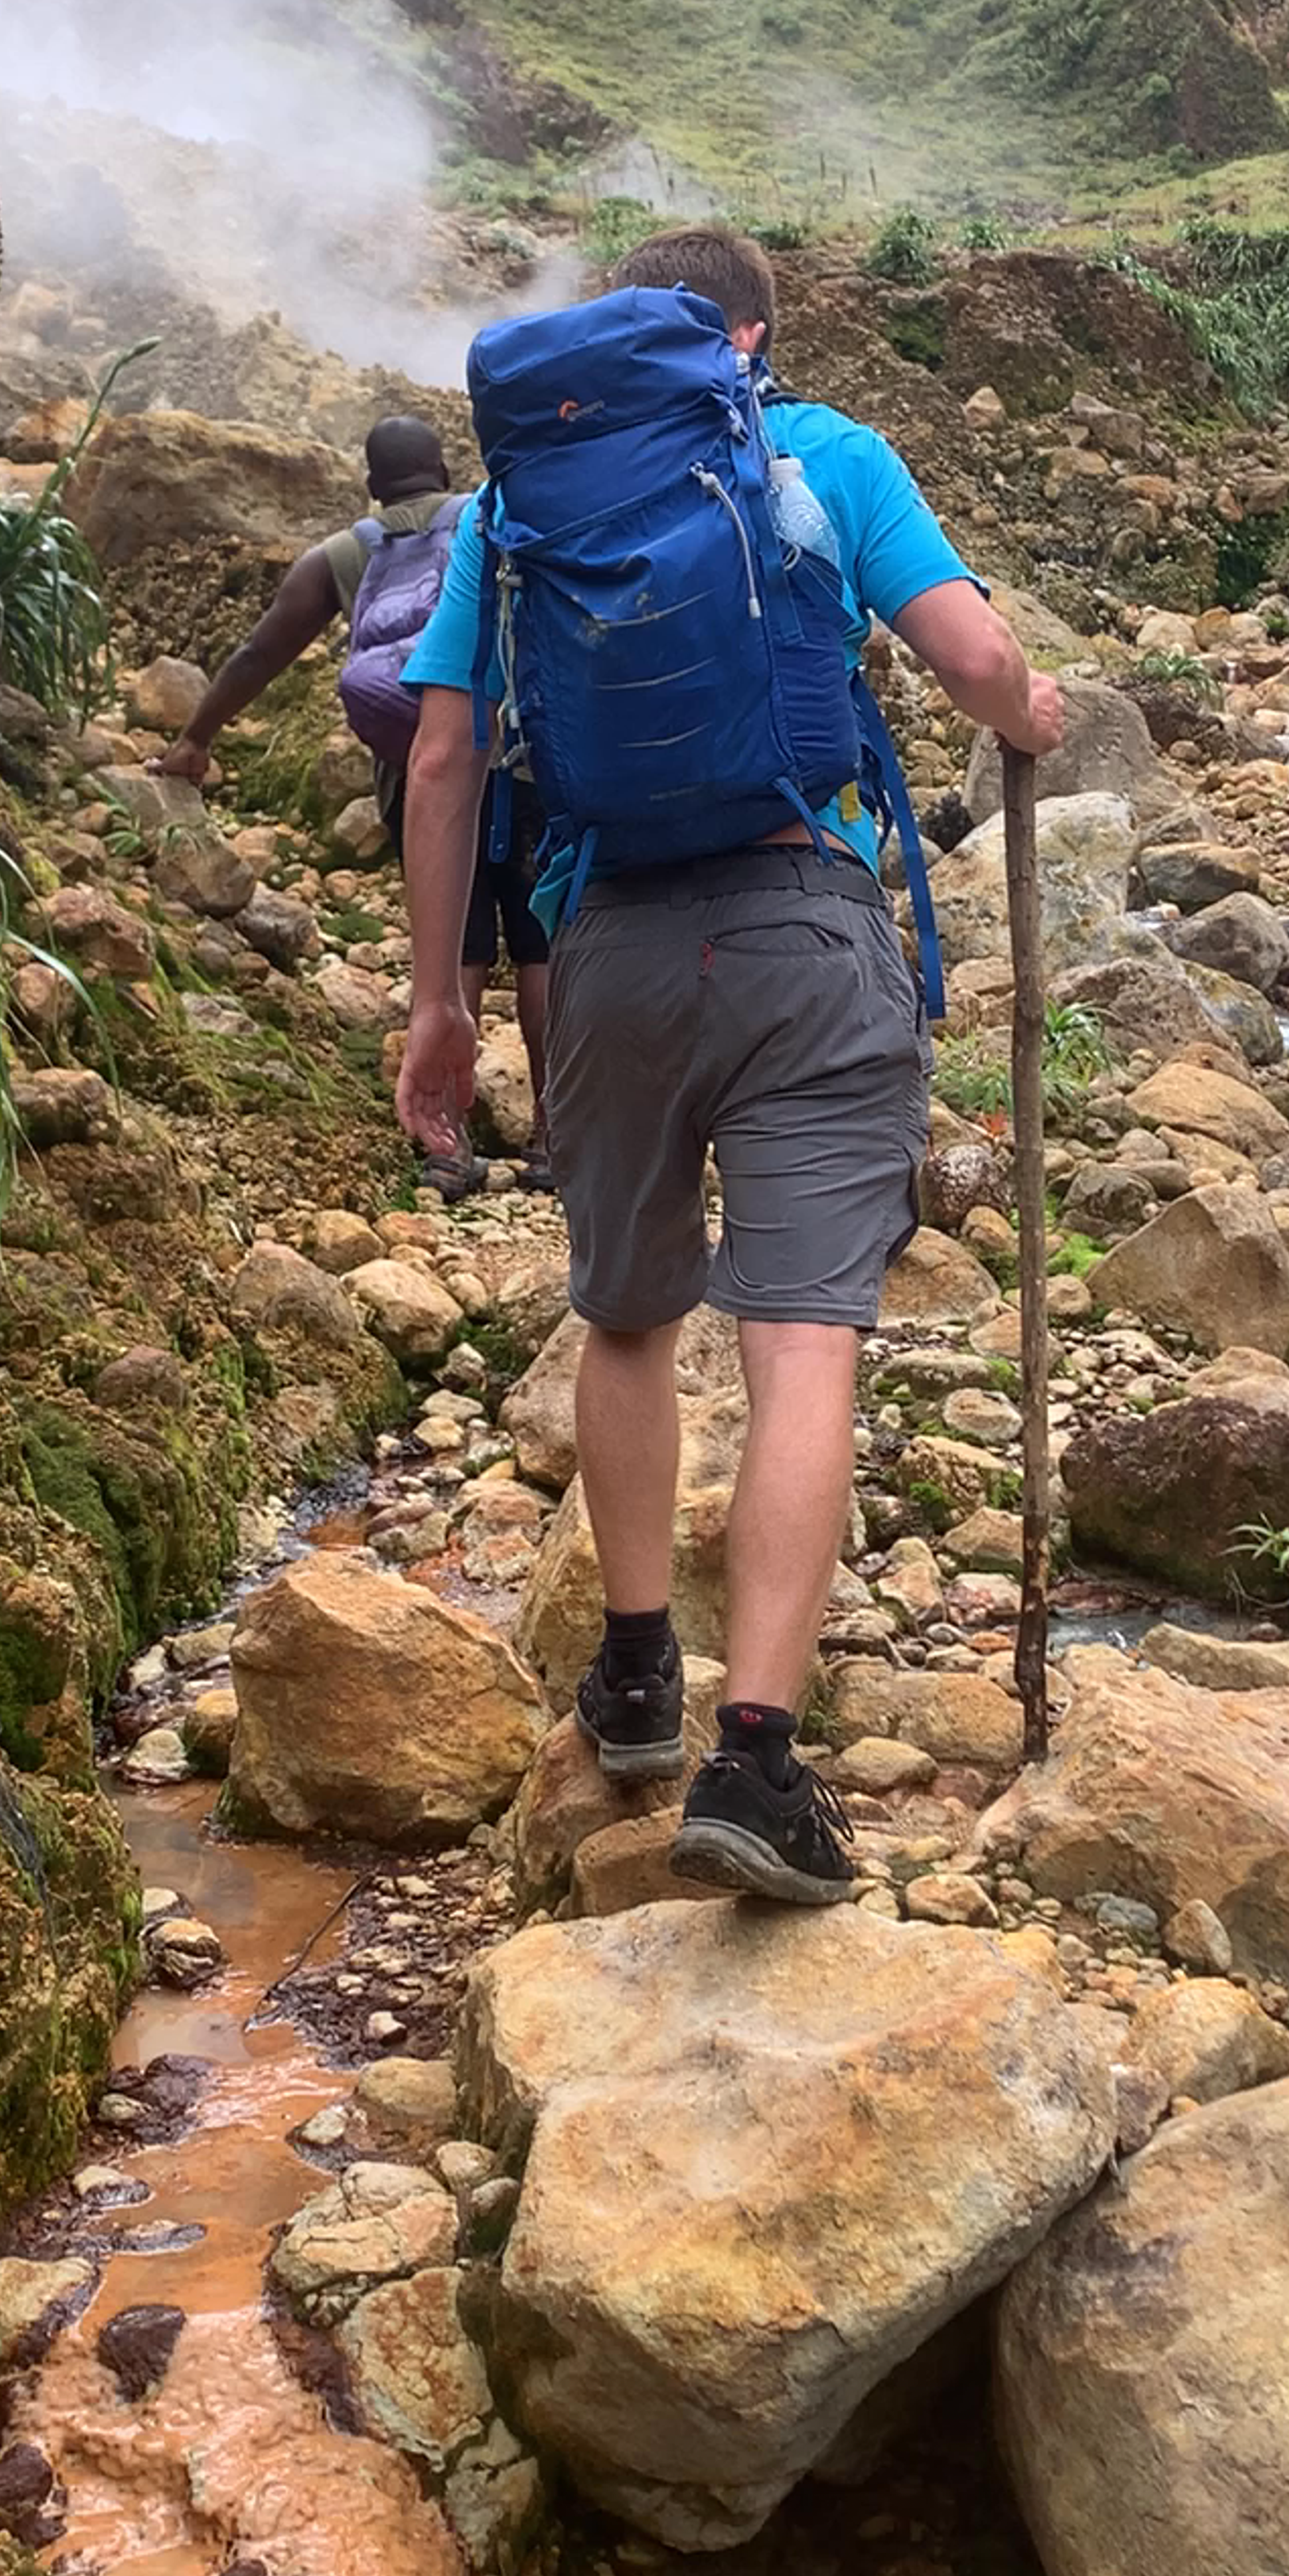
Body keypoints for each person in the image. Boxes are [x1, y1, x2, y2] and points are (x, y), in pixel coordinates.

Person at [395, 225, 1063, 1906]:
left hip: (606, 944)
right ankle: (756, 1760)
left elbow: (447, 756)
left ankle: (633, 1670)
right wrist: (1036, 713)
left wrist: (443, 1003)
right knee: (802, 1336)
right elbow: (973, 663)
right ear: (751, 333)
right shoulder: (824, 450)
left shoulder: (512, 510)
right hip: (809, 935)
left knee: (625, 1311)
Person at [154, 413, 552, 1183]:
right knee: (541, 948)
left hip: (422, 772)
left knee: (459, 944)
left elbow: (259, 651)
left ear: (371, 484)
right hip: (526, 764)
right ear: (443, 468)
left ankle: (450, 1143)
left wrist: (194, 739)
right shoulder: (488, 519)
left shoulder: (342, 554)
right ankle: (556, 1138)